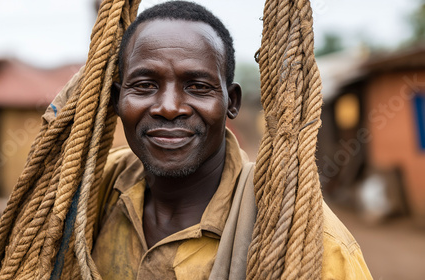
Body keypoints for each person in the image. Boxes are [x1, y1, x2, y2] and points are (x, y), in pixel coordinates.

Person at [81, 1, 373, 279]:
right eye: (145, 85)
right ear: (117, 100)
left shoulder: (309, 238)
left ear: (231, 102)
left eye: (197, 87)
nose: (169, 108)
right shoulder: (89, 192)